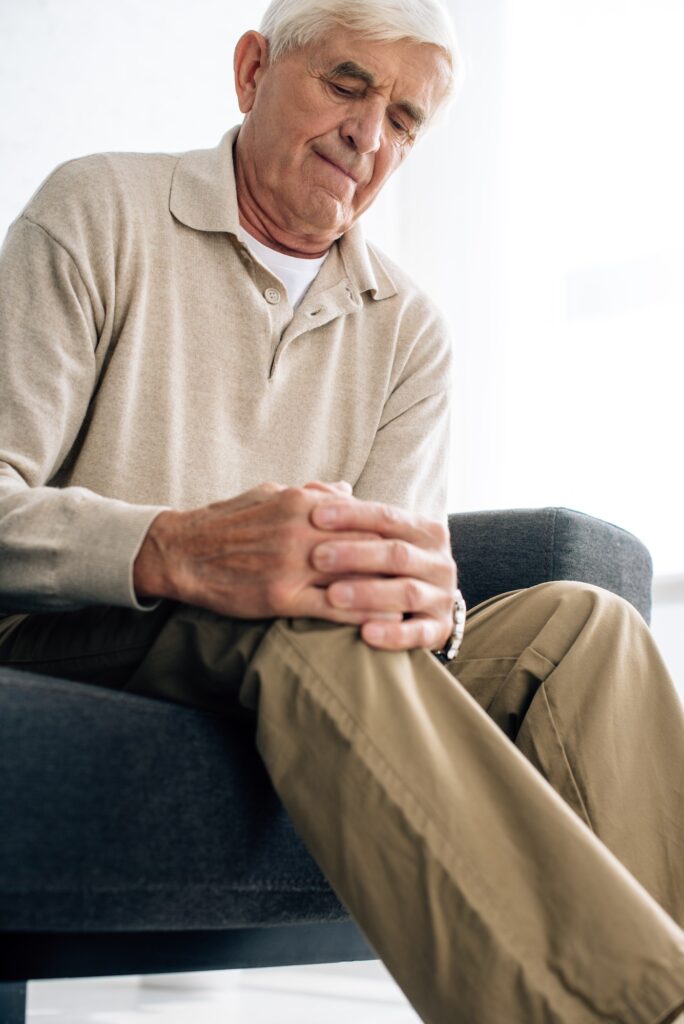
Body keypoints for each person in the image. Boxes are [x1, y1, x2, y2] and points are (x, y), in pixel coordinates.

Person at [0, 1, 683, 1020]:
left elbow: (391, 599)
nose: (370, 135)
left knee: (586, 627)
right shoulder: (97, 207)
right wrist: (180, 548)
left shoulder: (410, 330)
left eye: (406, 118)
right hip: (76, 636)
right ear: (251, 72)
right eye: (348, 85)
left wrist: (433, 608)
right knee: (312, 607)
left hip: (294, 656)